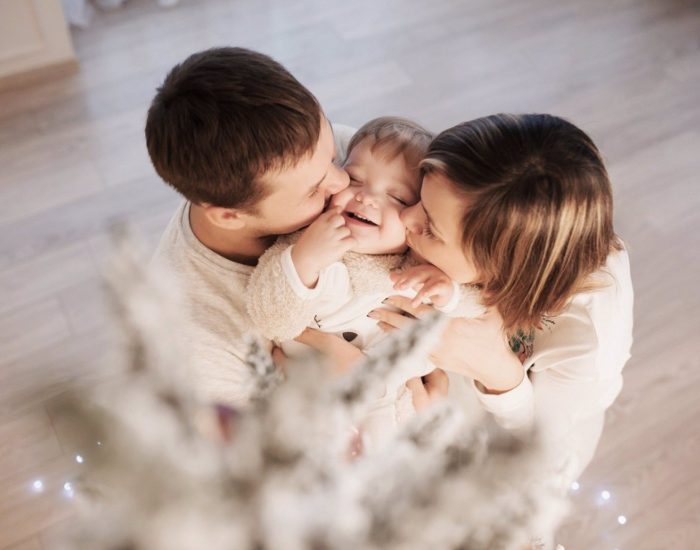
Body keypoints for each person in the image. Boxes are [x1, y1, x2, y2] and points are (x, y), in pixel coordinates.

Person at [367, 113, 634, 486]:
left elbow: (549, 460)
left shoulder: (585, 341)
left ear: (500, 270)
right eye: (416, 198)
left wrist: (501, 377)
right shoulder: (491, 205)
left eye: (429, 228)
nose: (404, 217)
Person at [245, 116, 484, 448]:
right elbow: (268, 316)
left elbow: (481, 307)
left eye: (398, 198)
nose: (366, 198)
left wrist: (452, 295)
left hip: (401, 412)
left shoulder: (421, 264)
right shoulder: (306, 245)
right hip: (315, 410)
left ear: (419, 219)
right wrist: (305, 260)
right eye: (354, 179)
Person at [146, 47, 352, 407]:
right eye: (314, 191)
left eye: (332, 155)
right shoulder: (198, 345)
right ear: (228, 215)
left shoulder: (312, 157)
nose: (345, 181)